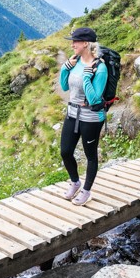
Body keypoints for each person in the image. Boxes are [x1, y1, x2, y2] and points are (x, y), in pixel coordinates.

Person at [59, 26, 108, 206]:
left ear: (86, 44)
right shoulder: (76, 62)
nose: (72, 45)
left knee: (90, 155)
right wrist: (66, 68)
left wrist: (87, 78)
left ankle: (86, 191)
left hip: (91, 118)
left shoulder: (100, 68)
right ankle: (75, 182)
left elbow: (95, 98)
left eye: (75, 42)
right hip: (72, 113)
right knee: (65, 151)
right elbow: (65, 87)